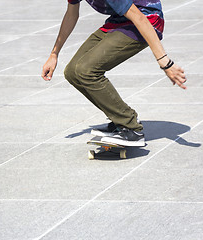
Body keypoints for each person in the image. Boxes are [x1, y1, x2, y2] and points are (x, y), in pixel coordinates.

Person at [41, 0, 187, 147]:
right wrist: (54, 54)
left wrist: (165, 62)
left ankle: (131, 128)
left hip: (147, 19)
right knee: (72, 72)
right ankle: (120, 121)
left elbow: (139, 18)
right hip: (119, 21)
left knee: (87, 71)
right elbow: (71, 14)